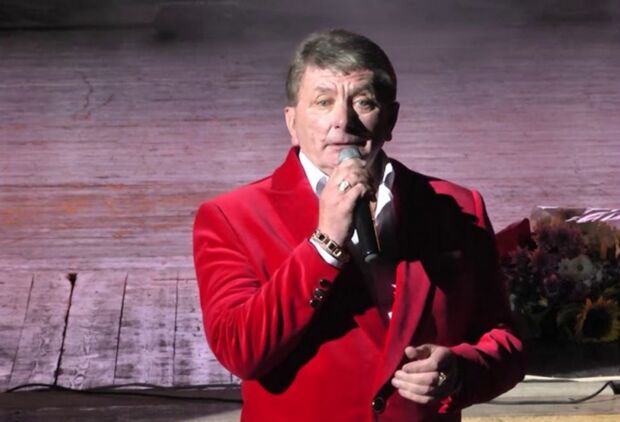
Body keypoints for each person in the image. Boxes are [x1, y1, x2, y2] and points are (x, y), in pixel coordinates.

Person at [193, 29, 524, 422]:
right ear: (292, 122)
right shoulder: (231, 217)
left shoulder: (457, 208)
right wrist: (324, 244)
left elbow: (505, 340)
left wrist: (460, 371)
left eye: (364, 102)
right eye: (323, 102)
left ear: (391, 119)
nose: (343, 121)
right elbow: (239, 350)